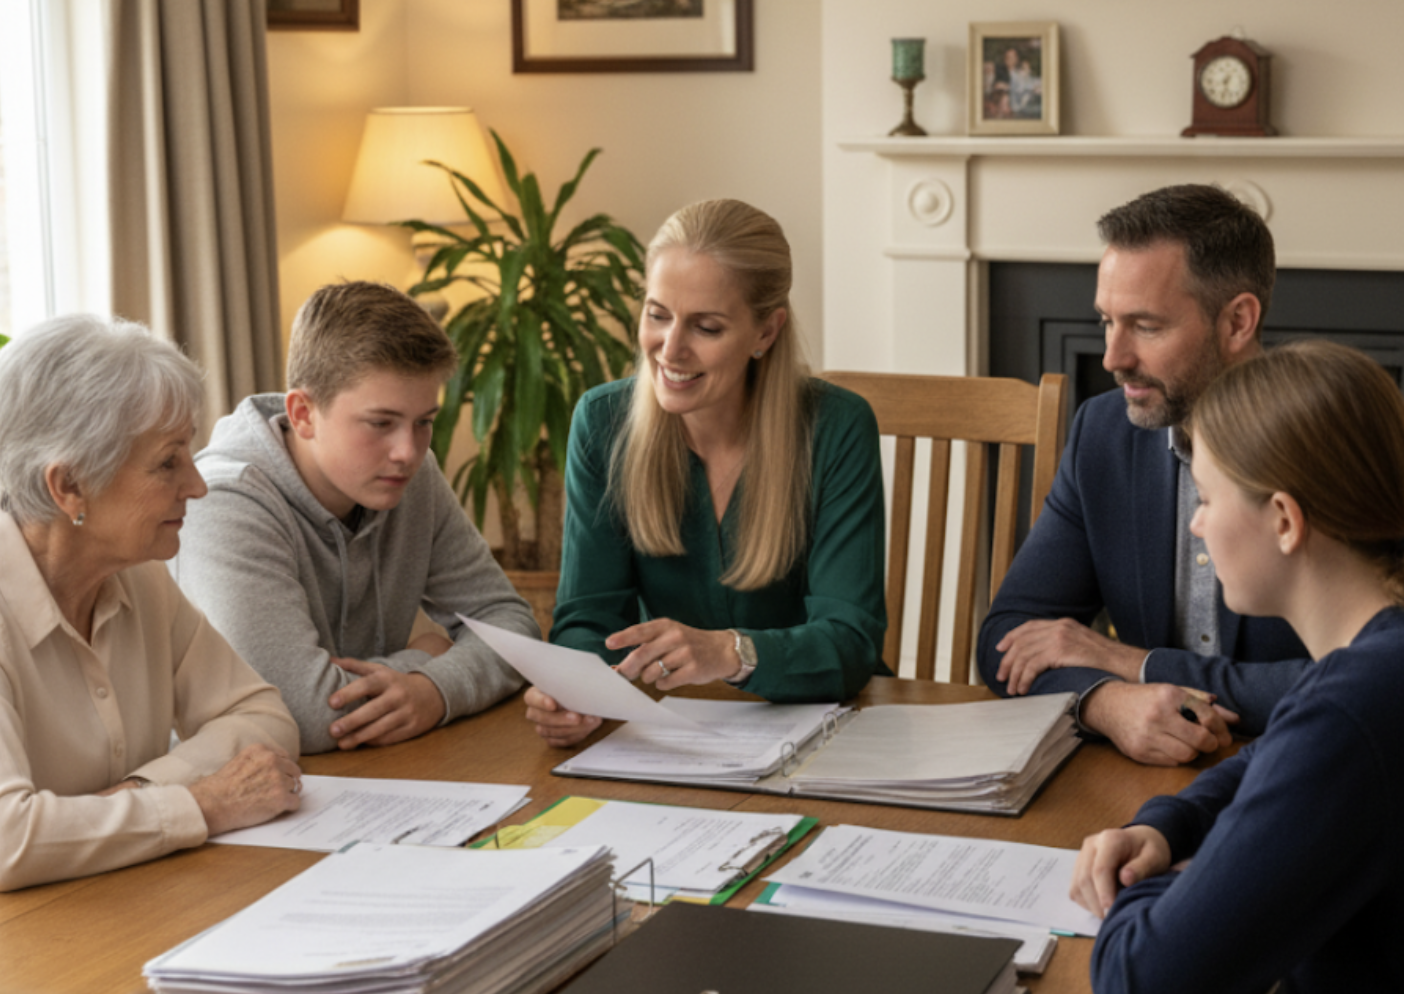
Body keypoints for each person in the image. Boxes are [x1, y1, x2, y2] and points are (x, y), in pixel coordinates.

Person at [1070, 340, 1404, 992]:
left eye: (1205, 498)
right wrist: (1167, 827)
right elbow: (1276, 757)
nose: (1196, 526)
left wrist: (1171, 881)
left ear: (1283, 520)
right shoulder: (1371, 665)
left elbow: (1139, 978)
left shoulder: (1352, 708)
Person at [526, 199, 888, 747]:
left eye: (707, 327)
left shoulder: (836, 427)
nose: (670, 350)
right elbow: (587, 619)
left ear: (766, 332)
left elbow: (849, 642)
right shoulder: (602, 422)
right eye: (657, 315)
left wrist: (732, 652)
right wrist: (575, 690)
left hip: (828, 735)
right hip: (673, 739)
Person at [976, 184, 1308, 766]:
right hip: (1146, 777)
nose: (1113, 357)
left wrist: (1134, 664)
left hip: (1305, 767)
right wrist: (1106, 703)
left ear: (1237, 321)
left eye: (1146, 327)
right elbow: (1007, 638)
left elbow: (1372, 675)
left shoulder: (1336, 442)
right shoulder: (1103, 433)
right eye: (1107, 321)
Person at [0, 316, 302, 892]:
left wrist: (140, 794)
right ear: (69, 486)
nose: (198, 485)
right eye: (168, 462)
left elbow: (264, 718)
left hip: (124, 899)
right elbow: (7, 840)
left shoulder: (140, 576)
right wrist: (202, 804)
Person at [170, 282, 535, 754]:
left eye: (424, 422)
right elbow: (300, 715)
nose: (408, 451)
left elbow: (513, 625)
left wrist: (436, 688)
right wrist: (426, 656)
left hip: (372, 773)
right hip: (233, 781)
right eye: (380, 423)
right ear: (303, 414)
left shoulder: (412, 476)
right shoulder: (224, 501)